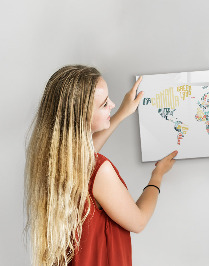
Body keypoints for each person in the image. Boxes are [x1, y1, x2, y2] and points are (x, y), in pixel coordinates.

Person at [24, 65, 177, 266]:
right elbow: (138, 221)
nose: (112, 104)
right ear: (81, 117)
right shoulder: (99, 170)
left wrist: (122, 113)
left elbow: (86, 156)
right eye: (105, 104)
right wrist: (157, 175)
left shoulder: (53, 159)